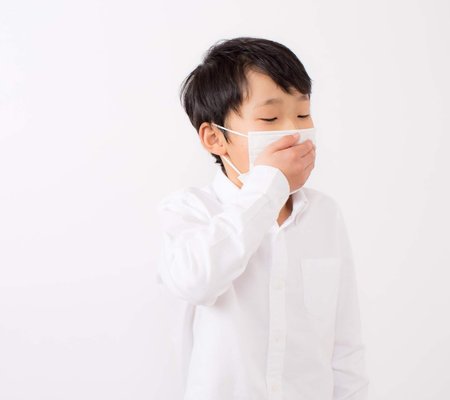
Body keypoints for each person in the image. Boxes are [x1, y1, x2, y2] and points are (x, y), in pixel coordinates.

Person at [155, 37, 369, 400]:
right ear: (214, 138)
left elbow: (344, 347)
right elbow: (196, 282)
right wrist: (269, 184)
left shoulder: (325, 215)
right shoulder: (189, 212)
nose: (294, 130)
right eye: (270, 118)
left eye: (303, 114)